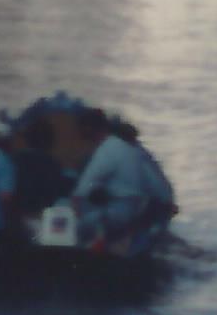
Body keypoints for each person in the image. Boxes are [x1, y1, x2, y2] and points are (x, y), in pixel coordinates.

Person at [62, 107, 178, 258]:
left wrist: (75, 207)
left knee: (68, 216)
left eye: (81, 128)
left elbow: (83, 188)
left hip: (120, 213)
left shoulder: (108, 149)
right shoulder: (133, 148)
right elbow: (160, 186)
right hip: (138, 209)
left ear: (90, 128)